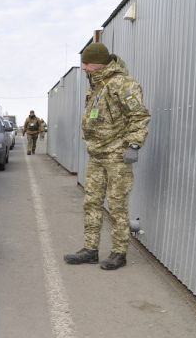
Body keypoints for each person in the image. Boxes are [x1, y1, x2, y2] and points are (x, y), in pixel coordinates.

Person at [64, 42, 150, 270]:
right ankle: (90, 249)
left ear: (98, 63)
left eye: (86, 64)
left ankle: (118, 253)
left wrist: (134, 145)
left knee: (117, 205)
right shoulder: (96, 85)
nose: (83, 68)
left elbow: (139, 116)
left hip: (117, 157)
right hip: (97, 155)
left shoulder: (123, 83)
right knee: (91, 202)